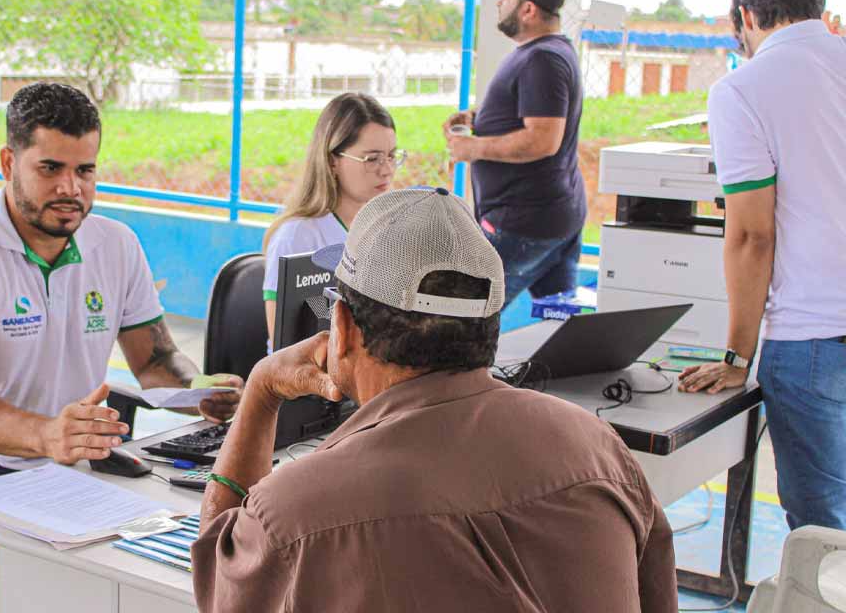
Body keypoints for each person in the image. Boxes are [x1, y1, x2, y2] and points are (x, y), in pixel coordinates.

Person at [192, 187, 677, 612]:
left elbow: (220, 592)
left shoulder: (295, 509)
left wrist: (260, 393)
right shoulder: (599, 448)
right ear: (490, 327)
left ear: (341, 328)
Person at [0, 83, 241, 613]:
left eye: (85, 171)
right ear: (9, 162)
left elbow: (154, 359)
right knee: (25, 598)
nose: (71, 188)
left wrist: (200, 391)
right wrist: (45, 435)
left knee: (166, 575)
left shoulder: (115, 244)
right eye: (50, 168)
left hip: (69, 464)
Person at [679, 0, 846, 533]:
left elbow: (752, 234)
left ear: (746, 17)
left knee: (824, 531)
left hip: (817, 334)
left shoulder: (743, 89)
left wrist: (735, 357)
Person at [443, 0, 586, 310]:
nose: (498, 3)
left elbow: (542, 139)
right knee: (555, 321)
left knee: (465, 317)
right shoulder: (545, 54)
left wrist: (471, 148)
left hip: (524, 220)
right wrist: (481, 118)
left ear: (528, 9)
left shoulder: (544, 59)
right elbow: (534, 114)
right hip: (548, 215)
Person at [261, 93, 402, 342]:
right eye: (372, 158)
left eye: (391, 155)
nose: (387, 169)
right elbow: (286, 344)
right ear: (331, 160)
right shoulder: (299, 236)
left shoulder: (389, 228)